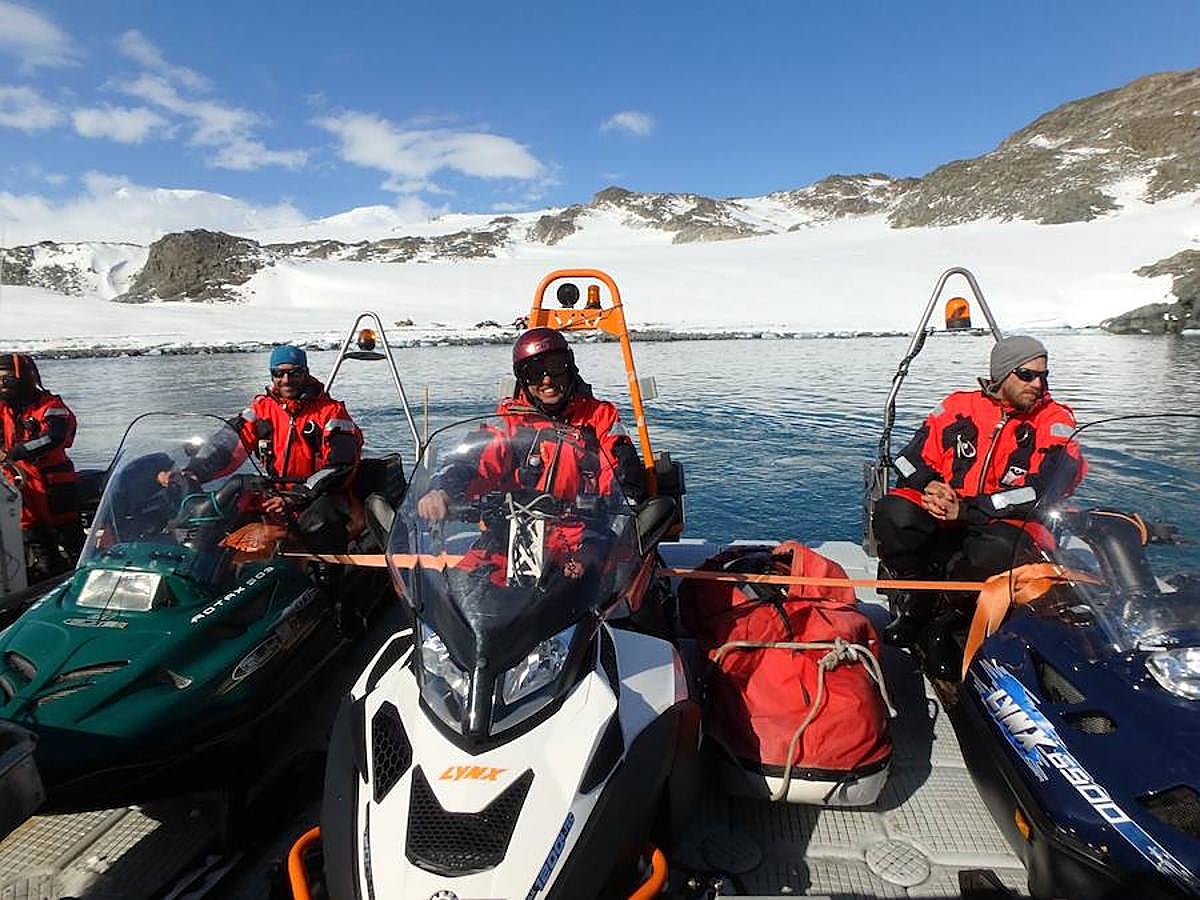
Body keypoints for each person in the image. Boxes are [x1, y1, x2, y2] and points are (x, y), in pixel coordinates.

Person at [872, 335, 1086, 645]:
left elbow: (1041, 491)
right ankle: (918, 599)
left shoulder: (1054, 420)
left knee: (996, 548)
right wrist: (929, 485)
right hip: (950, 508)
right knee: (894, 512)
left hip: (1006, 519)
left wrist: (969, 508)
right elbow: (905, 459)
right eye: (1027, 375)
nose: (1038, 384)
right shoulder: (958, 407)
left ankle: (951, 617)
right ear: (1001, 374)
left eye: (1044, 375)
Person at [161, 345, 363, 553]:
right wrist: (193, 471)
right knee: (225, 519)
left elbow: (341, 464)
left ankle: (323, 579)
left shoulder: (331, 412)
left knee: (318, 525)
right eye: (279, 373)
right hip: (274, 493)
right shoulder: (261, 409)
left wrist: (299, 495)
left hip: (319, 494)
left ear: (306, 372)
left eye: (294, 373)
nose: (286, 380)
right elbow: (228, 443)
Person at [0, 353, 83, 580]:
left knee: (70, 539)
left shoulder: (51, 406)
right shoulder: (4, 409)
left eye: (6, 380)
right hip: (18, 484)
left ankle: (81, 577)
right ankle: (42, 580)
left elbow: (53, 437)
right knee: (34, 538)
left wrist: (15, 452)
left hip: (52, 483)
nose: (2, 386)